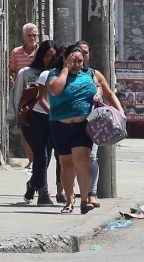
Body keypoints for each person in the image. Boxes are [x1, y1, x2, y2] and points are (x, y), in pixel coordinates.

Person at [46, 45, 97, 214]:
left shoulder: (89, 74)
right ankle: (69, 200)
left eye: (80, 61)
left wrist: (100, 94)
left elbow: (101, 87)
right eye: (73, 60)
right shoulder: (54, 74)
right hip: (60, 126)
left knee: (83, 162)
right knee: (66, 165)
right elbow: (55, 90)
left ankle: (84, 200)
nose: (77, 64)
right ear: (65, 59)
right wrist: (65, 69)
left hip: (82, 126)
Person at [76, 40, 125, 208]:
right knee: (70, 160)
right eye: (79, 51)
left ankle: (92, 194)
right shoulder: (66, 74)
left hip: (94, 124)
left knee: (91, 157)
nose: (82, 55)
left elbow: (110, 94)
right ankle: (68, 194)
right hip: (71, 122)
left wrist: (120, 113)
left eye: (86, 52)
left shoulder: (94, 74)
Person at [11, 40, 58, 206]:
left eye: (53, 56)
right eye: (46, 56)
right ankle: (43, 193)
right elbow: (18, 96)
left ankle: (33, 184)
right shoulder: (27, 72)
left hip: (52, 118)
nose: (49, 59)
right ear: (40, 56)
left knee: (47, 156)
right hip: (32, 118)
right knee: (40, 155)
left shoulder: (58, 75)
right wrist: (17, 117)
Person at [8, 23, 39, 169]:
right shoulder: (16, 53)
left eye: (35, 35)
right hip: (22, 95)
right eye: (30, 35)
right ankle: (32, 159)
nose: (33, 38)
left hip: (38, 95)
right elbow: (12, 71)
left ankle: (37, 157)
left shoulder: (41, 52)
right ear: (23, 37)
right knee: (24, 128)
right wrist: (13, 79)